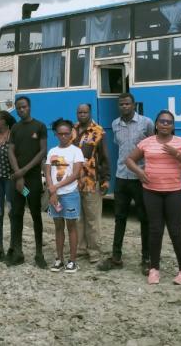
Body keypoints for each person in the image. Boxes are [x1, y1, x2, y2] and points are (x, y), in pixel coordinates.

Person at [126, 110, 181, 285]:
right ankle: (154, 269)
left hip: (174, 192)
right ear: (156, 124)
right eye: (162, 121)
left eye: (169, 122)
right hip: (151, 191)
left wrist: (177, 154)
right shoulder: (146, 142)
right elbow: (129, 160)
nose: (165, 124)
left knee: (175, 231)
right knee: (155, 230)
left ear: (173, 126)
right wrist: (140, 172)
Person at [98, 93, 154, 274]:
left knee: (144, 219)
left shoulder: (146, 123)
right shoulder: (115, 124)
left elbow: (152, 146)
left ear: (134, 105)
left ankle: (146, 258)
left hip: (140, 178)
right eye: (121, 104)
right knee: (119, 218)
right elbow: (120, 147)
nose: (124, 107)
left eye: (127, 104)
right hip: (121, 177)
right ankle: (116, 257)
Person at [7, 96, 48, 269]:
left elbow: (42, 151)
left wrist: (24, 172)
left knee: (35, 214)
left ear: (29, 107)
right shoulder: (15, 128)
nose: (21, 110)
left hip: (33, 179)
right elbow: (11, 151)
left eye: (24, 107)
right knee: (16, 215)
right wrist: (18, 174)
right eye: (18, 108)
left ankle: (39, 253)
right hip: (18, 180)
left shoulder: (39, 126)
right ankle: (18, 252)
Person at [45, 119, 84, 273]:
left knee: (71, 227)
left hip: (70, 194)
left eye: (66, 133)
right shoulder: (52, 151)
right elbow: (47, 172)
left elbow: (75, 175)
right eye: (60, 134)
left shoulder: (76, 151)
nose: (63, 136)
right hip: (55, 195)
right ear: (55, 134)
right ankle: (59, 259)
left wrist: (56, 187)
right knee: (58, 227)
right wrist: (52, 191)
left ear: (71, 134)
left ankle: (72, 261)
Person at [72, 103, 110, 264]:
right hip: (73, 181)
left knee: (93, 219)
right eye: (79, 112)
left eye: (85, 112)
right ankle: (80, 249)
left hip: (91, 181)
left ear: (90, 112)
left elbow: (104, 157)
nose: (82, 115)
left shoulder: (98, 131)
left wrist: (105, 179)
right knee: (78, 217)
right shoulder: (72, 130)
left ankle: (94, 251)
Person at [0, 110, 16, 263]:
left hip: (10, 180)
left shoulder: (12, 135)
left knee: (12, 213)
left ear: (5, 120)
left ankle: (12, 247)